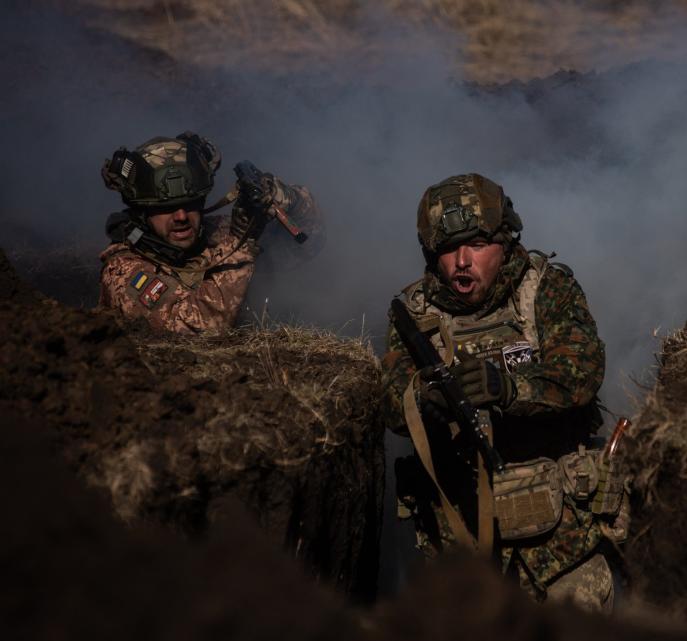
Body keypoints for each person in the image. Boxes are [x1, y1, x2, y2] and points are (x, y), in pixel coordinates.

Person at [382, 173, 628, 613]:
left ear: (504, 240)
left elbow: (582, 372)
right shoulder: (413, 316)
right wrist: (426, 403)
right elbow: (391, 402)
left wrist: (510, 388)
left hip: (564, 541)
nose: (461, 260)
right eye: (447, 248)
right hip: (463, 546)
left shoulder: (545, 290)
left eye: (476, 244)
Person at [98, 131, 323, 333]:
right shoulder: (124, 270)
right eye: (164, 209)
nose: (180, 217)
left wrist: (290, 200)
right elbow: (195, 328)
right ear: (141, 212)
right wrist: (240, 245)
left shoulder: (219, 233)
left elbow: (307, 246)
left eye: (191, 204)